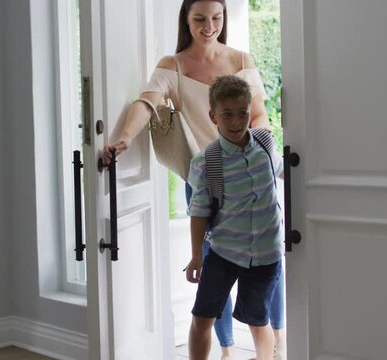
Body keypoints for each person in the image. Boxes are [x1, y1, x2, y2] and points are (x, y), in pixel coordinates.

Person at [102, 1, 286, 358]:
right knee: (214, 274)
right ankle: (227, 349)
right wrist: (124, 138)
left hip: (248, 170)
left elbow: (260, 114)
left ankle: (278, 342)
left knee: (267, 259)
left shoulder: (241, 60)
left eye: (216, 18)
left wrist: (253, 154)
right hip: (207, 177)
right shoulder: (173, 66)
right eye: (200, 19)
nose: (209, 26)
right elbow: (146, 103)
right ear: (186, 20)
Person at [184, 75, 283, 360]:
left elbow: (283, 172)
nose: (237, 121)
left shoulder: (265, 144)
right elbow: (198, 212)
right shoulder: (207, 161)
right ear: (213, 116)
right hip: (224, 252)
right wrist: (196, 256)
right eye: (228, 114)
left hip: (266, 253)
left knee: (258, 319)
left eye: (243, 113)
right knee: (203, 316)